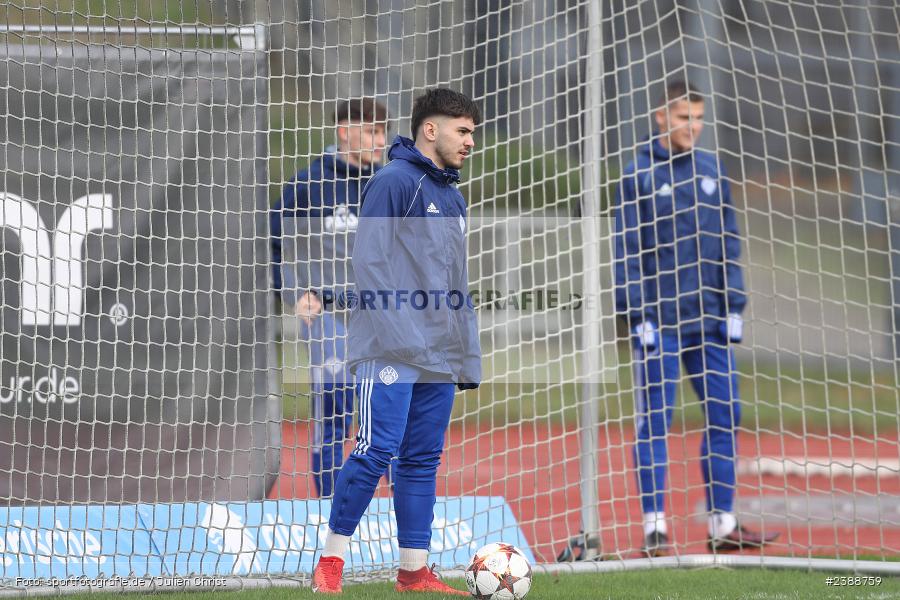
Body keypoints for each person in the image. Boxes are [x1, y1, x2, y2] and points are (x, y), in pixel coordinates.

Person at [310, 88, 482, 595]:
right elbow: (371, 264)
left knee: (422, 459)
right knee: (374, 448)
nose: (471, 141)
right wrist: (406, 338)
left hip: (438, 356)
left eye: (473, 132)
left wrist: (465, 355)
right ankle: (331, 564)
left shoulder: (453, 196)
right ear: (432, 130)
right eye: (463, 131)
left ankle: (413, 572)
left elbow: (457, 283)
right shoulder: (393, 181)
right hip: (389, 348)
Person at [613, 80, 780, 556]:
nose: (694, 126)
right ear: (662, 117)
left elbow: (729, 242)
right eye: (685, 117)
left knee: (726, 415)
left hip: (709, 323)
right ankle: (655, 529)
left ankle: (722, 523)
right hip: (659, 325)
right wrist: (636, 315)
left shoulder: (712, 170)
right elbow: (626, 250)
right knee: (654, 424)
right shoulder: (637, 175)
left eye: (699, 118)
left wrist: (734, 306)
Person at [271, 97, 388, 497]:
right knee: (336, 406)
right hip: (330, 316)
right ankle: (331, 506)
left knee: (387, 411)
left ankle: (400, 514)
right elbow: (270, 241)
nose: (380, 140)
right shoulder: (309, 184)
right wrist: (293, 291)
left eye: (383, 131)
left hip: (381, 317)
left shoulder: (388, 183)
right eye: (372, 131)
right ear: (344, 132)